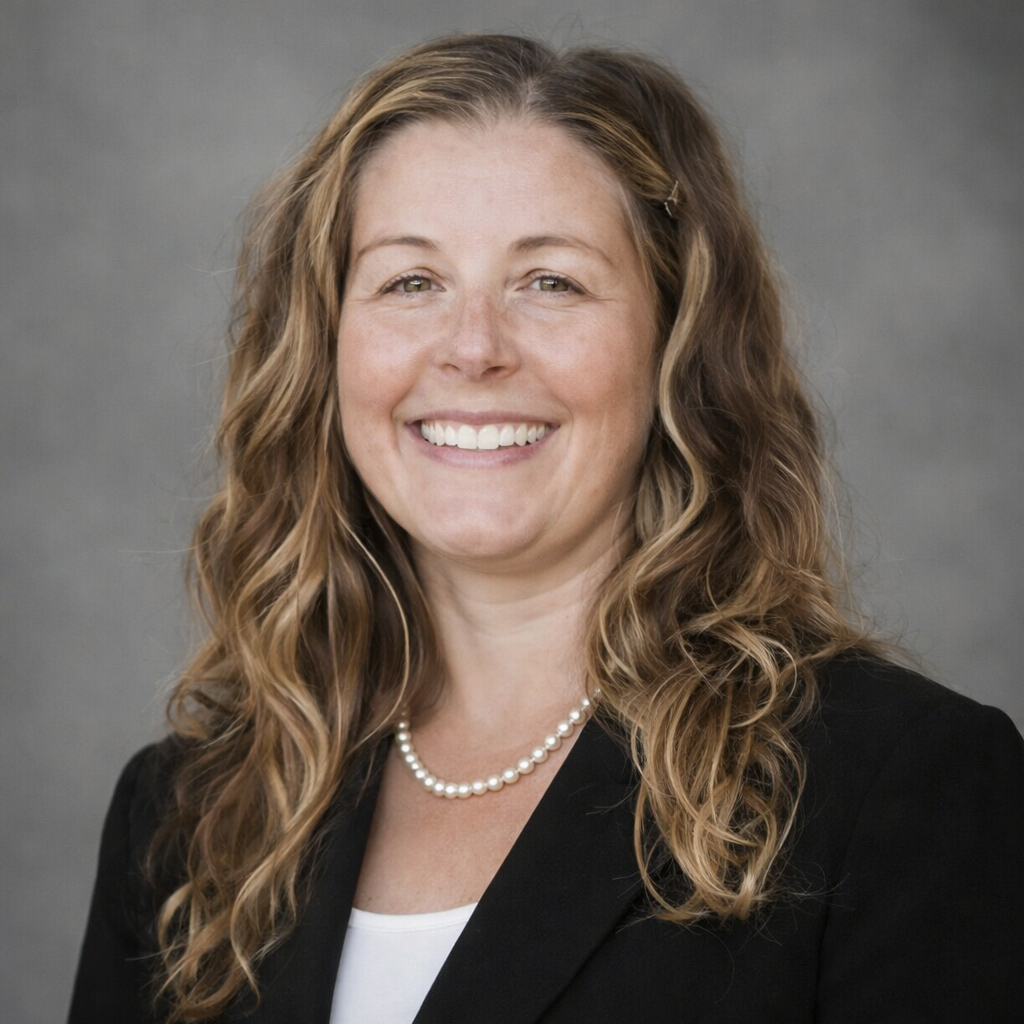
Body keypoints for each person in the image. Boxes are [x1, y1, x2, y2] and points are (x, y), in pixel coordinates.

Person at [68, 33, 1024, 1024]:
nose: (472, 347)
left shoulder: (893, 784)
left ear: (676, 347)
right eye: (410, 282)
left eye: (550, 281)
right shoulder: (191, 817)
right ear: (325, 350)